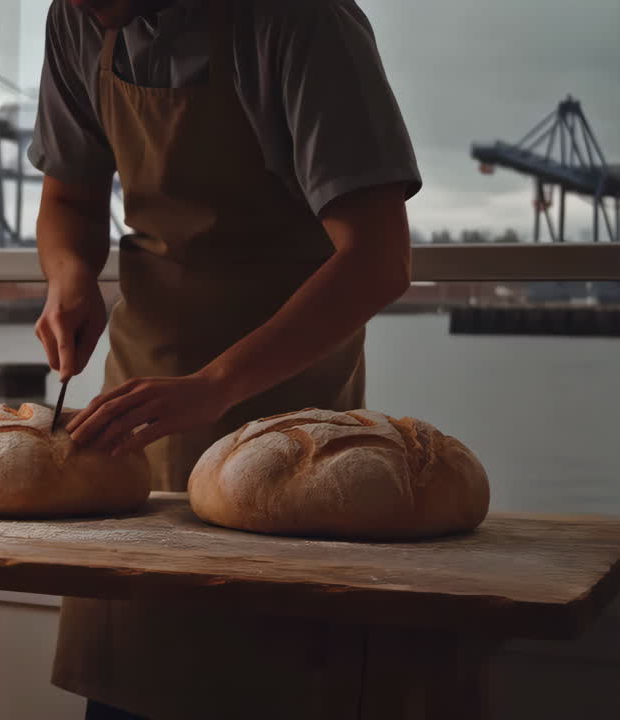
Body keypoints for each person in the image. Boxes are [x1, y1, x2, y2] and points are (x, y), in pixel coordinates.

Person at [28, 0, 421, 717]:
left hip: (283, 417)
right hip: (135, 404)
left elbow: (379, 260)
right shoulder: (77, 17)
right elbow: (68, 198)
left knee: (266, 676)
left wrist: (218, 385)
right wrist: (70, 276)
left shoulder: (303, 21)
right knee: (132, 674)